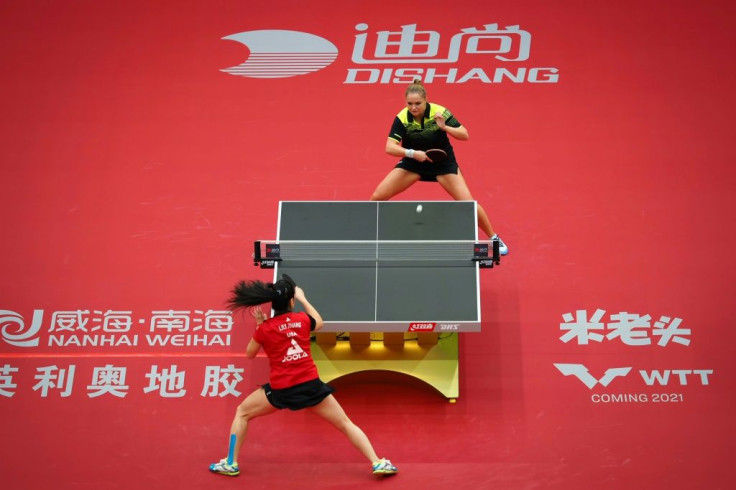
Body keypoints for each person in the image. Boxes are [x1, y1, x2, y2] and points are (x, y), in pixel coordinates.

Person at [209, 274, 398, 477]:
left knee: (242, 413)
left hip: (281, 392)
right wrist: (303, 298)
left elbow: (249, 354)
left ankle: (231, 463)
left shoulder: (265, 329)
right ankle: (377, 462)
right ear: (291, 301)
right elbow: (319, 322)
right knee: (345, 423)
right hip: (311, 387)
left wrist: (259, 327)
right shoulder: (301, 320)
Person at [370, 79, 508, 255]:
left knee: (468, 204)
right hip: (415, 163)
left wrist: (445, 127)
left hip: (442, 163)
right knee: (377, 196)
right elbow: (389, 147)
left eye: (418, 103)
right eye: (410, 103)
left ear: (426, 99)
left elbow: (464, 135)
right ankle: (369, 232)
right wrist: (412, 153)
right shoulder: (403, 117)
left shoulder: (439, 112)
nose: (413, 107)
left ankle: (493, 237)